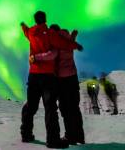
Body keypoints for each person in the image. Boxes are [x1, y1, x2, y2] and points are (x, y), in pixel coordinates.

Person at [20, 11, 83, 149]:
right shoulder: (50, 34)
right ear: (45, 19)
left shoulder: (30, 33)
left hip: (33, 74)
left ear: (35, 20)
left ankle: (26, 133)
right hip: (48, 76)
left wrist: (23, 25)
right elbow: (63, 44)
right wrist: (76, 45)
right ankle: (53, 140)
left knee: (31, 105)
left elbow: (25, 31)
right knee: (50, 108)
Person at [31, 25, 85, 144]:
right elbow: (71, 43)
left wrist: (36, 57)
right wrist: (73, 36)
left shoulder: (56, 42)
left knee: (65, 109)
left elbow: (51, 54)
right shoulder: (68, 40)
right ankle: (79, 136)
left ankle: (70, 136)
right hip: (73, 77)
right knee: (74, 108)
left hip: (62, 79)